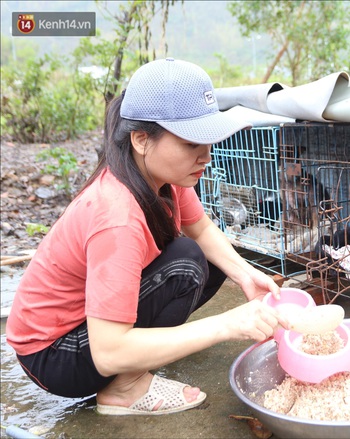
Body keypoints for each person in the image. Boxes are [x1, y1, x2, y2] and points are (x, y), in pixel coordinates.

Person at [6, 58, 289, 416]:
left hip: (88, 332)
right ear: (141, 139)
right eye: (191, 143)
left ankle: (149, 350)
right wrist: (226, 324)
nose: (206, 155)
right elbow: (108, 351)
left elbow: (201, 228)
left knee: (210, 260)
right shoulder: (116, 216)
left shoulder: (163, 177)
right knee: (186, 263)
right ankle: (125, 388)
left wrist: (248, 276)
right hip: (54, 353)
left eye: (209, 140)